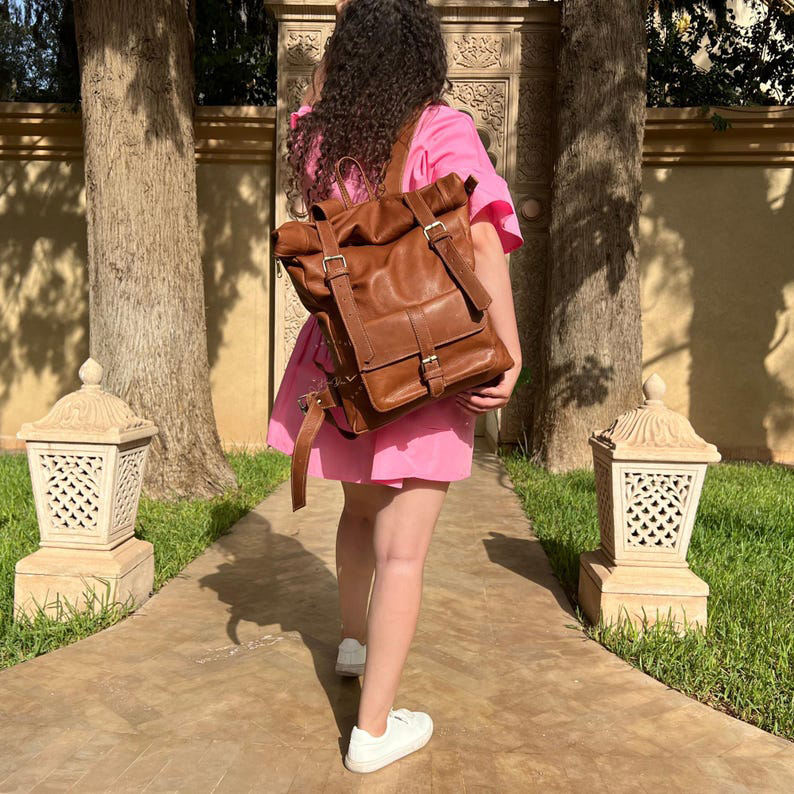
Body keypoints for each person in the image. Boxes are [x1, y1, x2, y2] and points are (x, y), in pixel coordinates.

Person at [266, 0, 524, 775]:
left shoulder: (315, 137)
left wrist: (337, 58)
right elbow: (483, 235)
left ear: (346, 55)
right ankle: (372, 732)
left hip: (348, 361)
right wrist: (506, 350)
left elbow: (313, 102)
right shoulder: (442, 130)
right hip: (427, 359)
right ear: (422, 55)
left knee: (357, 512)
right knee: (403, 555)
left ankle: (352, 642)